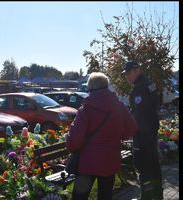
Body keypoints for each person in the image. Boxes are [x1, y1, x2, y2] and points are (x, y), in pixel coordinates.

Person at [65, 72, 137, 200]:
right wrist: (118, 137)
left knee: (80, 196)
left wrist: (69, 142)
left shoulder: (86, 108)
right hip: (110, 159)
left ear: (90, 88)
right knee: (105, 195)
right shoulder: (118, 106)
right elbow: (131, 128)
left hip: (88, 162)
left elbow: (74, 140)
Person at [122, 61, 163, 200]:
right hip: (151, 131)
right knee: (154, 164)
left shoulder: (139, 88)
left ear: (137, 70)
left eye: (128, 73)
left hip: (142, 134)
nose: (127, 77)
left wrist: (131, 128)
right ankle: (157, 194)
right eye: (125, 74)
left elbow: (139, 114)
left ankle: (146, 196)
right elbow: (155, 105)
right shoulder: (149, 84)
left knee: (143, 166)